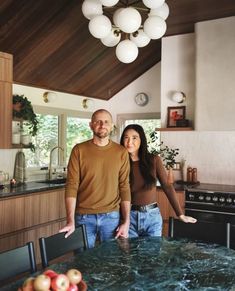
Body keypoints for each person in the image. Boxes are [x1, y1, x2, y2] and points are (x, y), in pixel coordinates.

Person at [60, 109, 131, 248]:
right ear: (91, 125)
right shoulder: (78, 150)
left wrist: (126, 221)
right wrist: (70, 220)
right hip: (83, 217)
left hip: (112, 217)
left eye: (106, 122)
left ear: (111, 126)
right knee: (83, 262)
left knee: (110, 263)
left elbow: (124, 186)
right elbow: (71, 186)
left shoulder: (121, 152)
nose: (102, 125)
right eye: (98, 121)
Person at [120, 124, 197, 238]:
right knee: (130, 255)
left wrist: (180, 214)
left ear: (142, 139)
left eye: (134, 137)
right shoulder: (120, 162)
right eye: (126, 137)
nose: (129, 141)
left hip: (152, 217)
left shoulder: (153, 159)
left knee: (152, 255)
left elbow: (167, 186)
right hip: (128, 217)